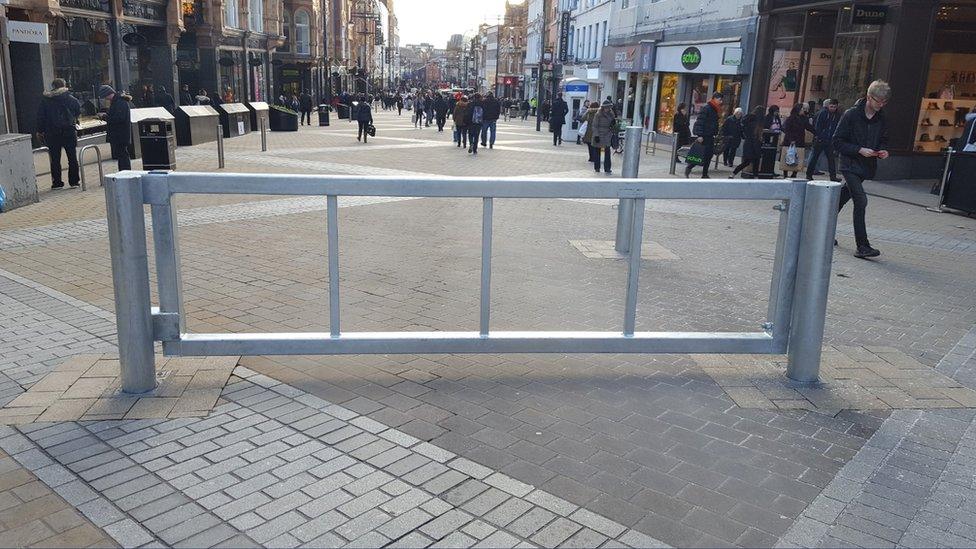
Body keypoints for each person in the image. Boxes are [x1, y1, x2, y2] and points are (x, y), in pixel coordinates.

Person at [833, 80, 890, 259]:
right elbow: (837, 141)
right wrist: (858, 149)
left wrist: (883, 150)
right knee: (861, 201)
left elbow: (884, 139)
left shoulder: (882, 118)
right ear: (868, 97)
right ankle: (862, 246)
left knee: (839, 200)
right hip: (849, 165)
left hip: (866, 167)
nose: (880, 105)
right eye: (878, 101)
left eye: (884, 102)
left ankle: (820, 230)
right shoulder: (851, 115)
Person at [35, 78, 82, 189]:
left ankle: (57, 183)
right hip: (68, 131)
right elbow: (77, 112)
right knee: (72, 157)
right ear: (64, 85)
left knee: (55, 159)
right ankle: (74, 181)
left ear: (53, 86)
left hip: (52, 133)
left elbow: (40, 117)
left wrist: (40, 131)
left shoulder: (46, 100)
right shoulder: (71, 99)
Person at [685, 92, 723, 178]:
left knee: (708, 155)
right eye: (720, 99)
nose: (721, 101)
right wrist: (699, 135)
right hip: (704, 135)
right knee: (701, 154)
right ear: (715, 98)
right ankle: (690, 167)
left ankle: (704, 174)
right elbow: (700, 122)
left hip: (710, 135)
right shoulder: (707, 108)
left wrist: (715, 133)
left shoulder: (715, 109)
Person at [98, 85, 133, 171]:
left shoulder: (119, 102)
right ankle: (124, 172)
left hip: (120, 134)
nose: (105, 99)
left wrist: (105, 117)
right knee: (122, 154)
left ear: (108, 94)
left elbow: (119, 118)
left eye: (105, 96)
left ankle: (125, 173)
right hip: (121, 134)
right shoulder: (119, 101)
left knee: (123, 155)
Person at [807, 98, 841, 181]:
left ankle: (833, 177)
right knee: (814, 158)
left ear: (837, 107)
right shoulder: (823, 113)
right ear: (828, 105)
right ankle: (809, 175)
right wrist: (819, 136)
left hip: (830, 140)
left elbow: (837, 126)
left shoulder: (837, 115)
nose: (832, 108)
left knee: (831, 159)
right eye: (831, 106)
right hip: (820, 139)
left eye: (834, 107)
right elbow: (818, 126)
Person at [731, 106, 766, 179]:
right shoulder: (758, 123)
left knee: (746, 162)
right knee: (756, 162)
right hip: (755, 144)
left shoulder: (748, 120)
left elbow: (744, 128)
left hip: (748, 144)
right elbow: (756, 136)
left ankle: (733, 174)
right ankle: (756, 177)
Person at [780, 103, 815, 178]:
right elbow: (787, 129)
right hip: (789, 140)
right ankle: (785, 173)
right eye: (802, 109)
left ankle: (794, 173)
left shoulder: (804, 118)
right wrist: (791, 139)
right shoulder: (791, 118)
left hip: (799, 140)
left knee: (798, 156)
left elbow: (809, 127)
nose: (803, 110)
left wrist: (817, 133)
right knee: (787, 155)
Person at [591, 100, 616, 174]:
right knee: (597, 151)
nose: (608, 109)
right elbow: (594, 125)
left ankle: (607, 168)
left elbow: (613, 123)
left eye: (609, 107)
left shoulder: (611, 114)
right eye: (606, 107)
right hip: (599, 133)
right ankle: (597, 167)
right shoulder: (598, 114)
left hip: (607, 134)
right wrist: (596, 135)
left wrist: (613, 124)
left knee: (607, 151)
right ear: (603, 108)